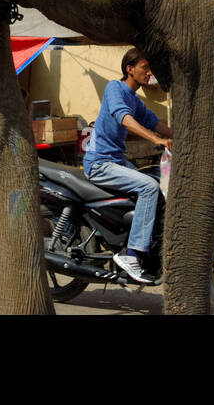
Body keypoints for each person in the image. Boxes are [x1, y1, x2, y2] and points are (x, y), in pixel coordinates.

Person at [81, 48, 173, 284]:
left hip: (117, 161)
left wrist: (183, 136)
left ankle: (134, 242)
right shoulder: (115, 88)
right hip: (100, 163)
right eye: (145, 68)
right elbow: (124, 118)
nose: (149, 73)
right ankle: (131, 254)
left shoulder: (135, 99)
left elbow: (155, 122)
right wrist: (155, 140)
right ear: (129, 69)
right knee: (149, 188)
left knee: (156, 184)